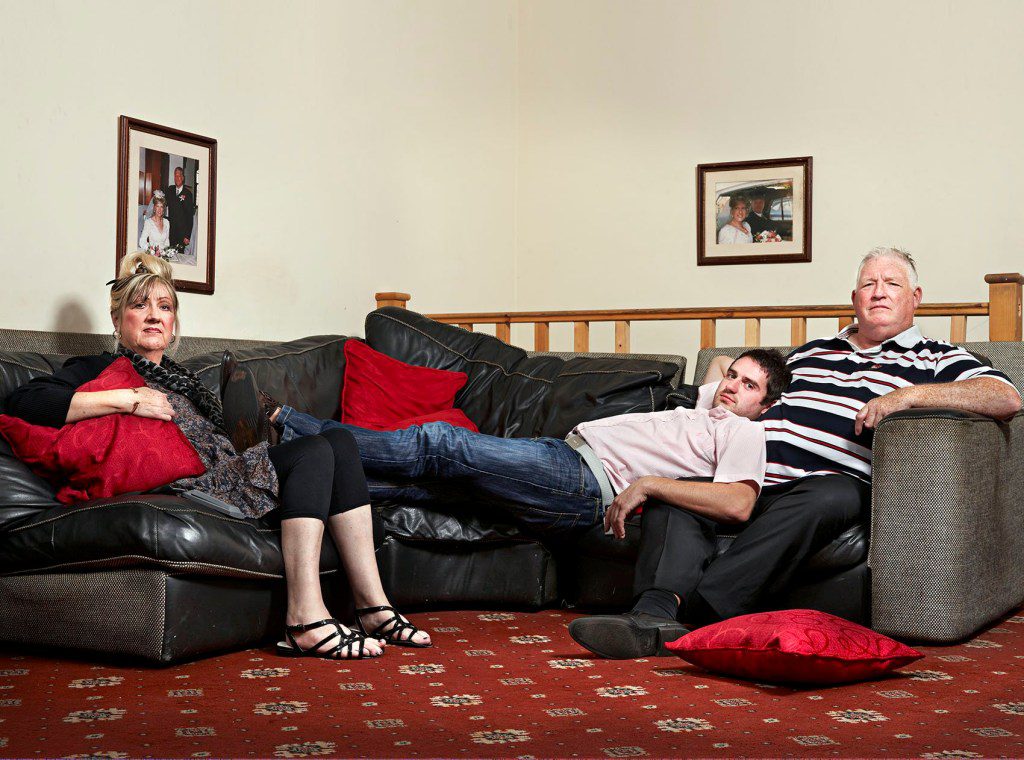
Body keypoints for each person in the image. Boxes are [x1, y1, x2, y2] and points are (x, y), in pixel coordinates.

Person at [571, 246, 1022, 658]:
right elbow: (733, 377)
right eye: (869, 284)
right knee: (677, 494)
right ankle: (650, 617)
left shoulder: (934, 357)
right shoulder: (810, 352)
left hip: (827, 488)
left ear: (916, 297)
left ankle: (708, 608)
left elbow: (1005, 397)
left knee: (833, 493)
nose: (879, 293)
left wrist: (903, 398)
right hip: (748, 475)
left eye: (892, 284)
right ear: (854, 296)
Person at [4, 252, 429, 660]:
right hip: (193, 485)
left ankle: (374, 607)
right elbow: (26, 401)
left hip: (227, 470)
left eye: (165, 306)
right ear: (117, 320)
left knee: (339, 442)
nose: (154, 315)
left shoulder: (186, 380)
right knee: (314, 452)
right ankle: (304, 619)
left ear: (174, 324)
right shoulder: (95, 367)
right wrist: (130, 398)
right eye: (139, 305)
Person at [258, 350, 789, 542]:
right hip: (564, 462)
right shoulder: (707, 407)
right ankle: (270, 485)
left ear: (765, 406)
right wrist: (735, 374)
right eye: (734, 376)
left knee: (442, 443)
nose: (731, 385)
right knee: (415, 486)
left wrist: (648, 483)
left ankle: (287, 424)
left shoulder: (744, 431)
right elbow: (717, 365)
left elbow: (739, 503)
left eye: (748, 386)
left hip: (585, 481)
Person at [165, 167, 195, 249]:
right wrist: (151, 210)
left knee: (180, 256)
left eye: (179, 176)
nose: (177, 178)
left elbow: (190, 216)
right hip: (170, 231)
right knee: (169, 254)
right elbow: (162, 203)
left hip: (182, 233)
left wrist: (187, 236)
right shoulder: (169, 190)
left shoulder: (188, 194)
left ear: (183, 177)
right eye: (175, 176)